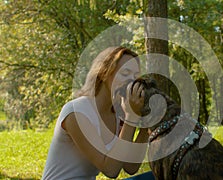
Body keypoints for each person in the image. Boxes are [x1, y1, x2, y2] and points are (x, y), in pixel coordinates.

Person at [42, 47, 152, 179]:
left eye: (135, 76)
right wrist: (131, 117)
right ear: (104, 73)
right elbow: (110, 170)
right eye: (125, 73)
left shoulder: (119, 115)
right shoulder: (76, 112)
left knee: (159, 176)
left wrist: (148, 119)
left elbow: (131, 166)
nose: (131, 81)